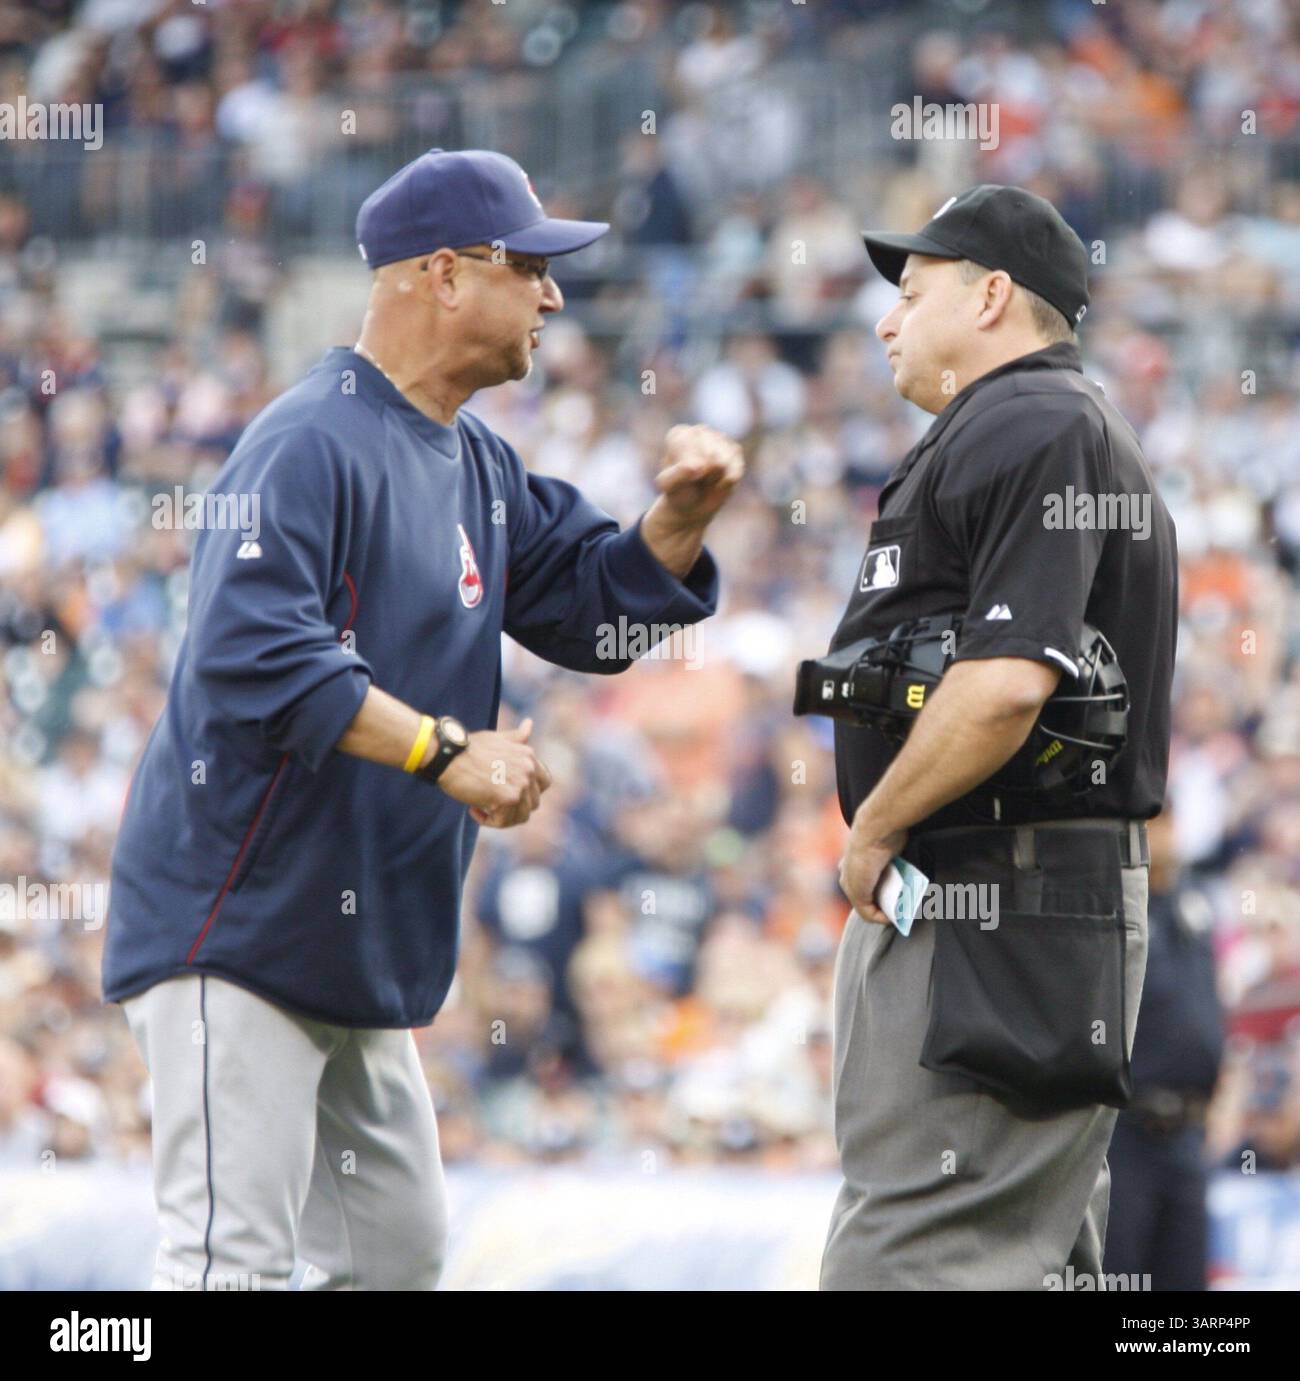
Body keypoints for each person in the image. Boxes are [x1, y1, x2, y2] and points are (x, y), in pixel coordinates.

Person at [102, 147, 743, 1291]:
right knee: (224, 1267)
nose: (553, 294)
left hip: (353, 953)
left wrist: (677, 522)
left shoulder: (477, 464)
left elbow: (599, 612)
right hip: (236, 932)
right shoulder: (307, 441)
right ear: (445, 274)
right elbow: (249, 653)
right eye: (530, 266)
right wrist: (444, 751)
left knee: (392, 1257)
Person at [821, 184, 1178, 1289]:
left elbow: (1009, 683)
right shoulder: (1014, 425)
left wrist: (873, 829)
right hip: (1011, 897)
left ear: (989, 296)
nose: (886, 319)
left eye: (911, 292)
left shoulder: (1038, 419)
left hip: (994, 897)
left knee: (916, 1255)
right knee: (1029, 1265)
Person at [1102, 805, 1225, 1290]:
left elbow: (1208, 1020)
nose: (1168, 835)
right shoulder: (1116, 912)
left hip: (1188, 1132)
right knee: (1122, 1276)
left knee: (1185, 1281)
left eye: (1172, 820)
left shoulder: (1193, 908)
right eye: (1157, 822)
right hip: (1127, 1128)